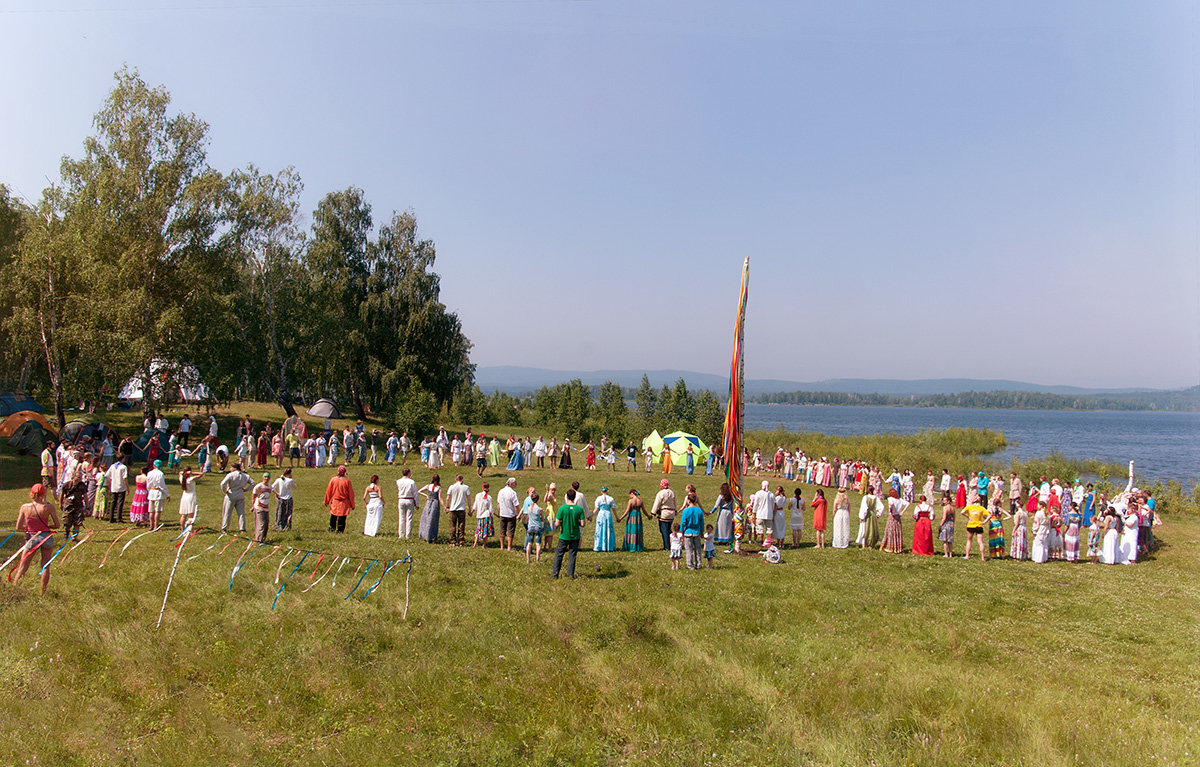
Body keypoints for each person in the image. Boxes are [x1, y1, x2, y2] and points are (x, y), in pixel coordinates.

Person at [12, 484, 60, 594]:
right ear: (44, 494)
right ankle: (43, 592)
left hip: (31, 537)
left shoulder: (25, 507)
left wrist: (28, 528)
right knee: (45, 566)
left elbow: (18, 526)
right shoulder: (49, 507)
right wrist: (48, 527)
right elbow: (57, 525)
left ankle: (14, 589)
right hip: (46, 537)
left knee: (23, 567)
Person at [550, 488, 586, 579]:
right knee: (572, 555)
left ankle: (555, 574)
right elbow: (582, 524)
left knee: (559, 554)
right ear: (575, 497)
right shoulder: (579, 509)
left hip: (564, 535)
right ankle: (570, 574)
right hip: (575, 536)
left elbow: (557, 523)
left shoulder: (562, 508)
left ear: (566, 497)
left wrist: (563, 522)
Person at [323, 465, 355, 533]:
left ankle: (332, 527)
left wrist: (326, 501)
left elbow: (328, 492)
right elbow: (351, 494)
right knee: (342, 517)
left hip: (335, 501)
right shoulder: (347, 481)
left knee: (333, 516)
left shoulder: (333, 480)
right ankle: (340, 530)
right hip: (344, 502)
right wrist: (352, 504)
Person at [651, 479, 677, 551]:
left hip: (664, 514)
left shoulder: (660, 493)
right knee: (669, 530)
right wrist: (675, 510)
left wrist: (653, 513)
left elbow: (657, 504)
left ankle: (666, 546)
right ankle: (672, 543)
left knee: (664, 530)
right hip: (671, 513)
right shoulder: (672, 492)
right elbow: (674, 502)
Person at [417, 474, 445, 543]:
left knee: (426, 518)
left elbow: (419, 491)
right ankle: (431, 536)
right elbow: (440, 498)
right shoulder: (439, 488)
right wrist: (444, 507)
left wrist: (426, 495)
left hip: (428, 502)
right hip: (435, 503)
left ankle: (423, 534)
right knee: (433, 520)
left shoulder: (428, 486)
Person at [444, 474, 470, 546]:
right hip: (461, 508)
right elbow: (468, 499)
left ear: (455, 479)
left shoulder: (452, 487)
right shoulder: (466, 487)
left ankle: (453, 541)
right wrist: (470, 509)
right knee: (461, 525)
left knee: (453, 525)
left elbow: (448, 498)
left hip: (453, 509)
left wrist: (447, 506)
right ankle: (461, 540)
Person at [250, 473, 277, 543]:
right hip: (259, 507)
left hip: (266, 507)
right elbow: (254, 496)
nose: (266, 479)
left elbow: (274, 491)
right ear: (263, 478)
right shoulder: (259, 486)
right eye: (265, 477)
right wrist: (253, 506)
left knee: (266, 524)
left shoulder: (269, 486)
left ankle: (263, 538)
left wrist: (276, 495)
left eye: (268, 477)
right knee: (261, 524)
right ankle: (259, 540)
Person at [680, 495, 704, 570]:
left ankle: (690, 565)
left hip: (688, 532)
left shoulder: (685, 511)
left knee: (689, 550)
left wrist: (681, 532)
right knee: (698, 550)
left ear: (689, 501)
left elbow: (683, 522)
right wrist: (702, 531)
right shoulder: (699, 510)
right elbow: (701, 522)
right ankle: (698, 564)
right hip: (696, 531)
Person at [496, 477, 520, 552]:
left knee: (502, 530)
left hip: (503, 513)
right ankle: (509, 547)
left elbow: (498, 504)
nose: (516, 484)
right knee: (510, 531)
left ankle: (502, 546)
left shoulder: (501, 491)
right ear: (511, 484)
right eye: (515, 483)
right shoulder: (513, 493)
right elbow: (516, 506)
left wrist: (499, 512)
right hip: (511, 514)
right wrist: (518, 514)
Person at [146, 459, 169, 531]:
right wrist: (167, 494)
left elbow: (148, 484)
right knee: (157, 511)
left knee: (151, 511)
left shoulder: (149, 473)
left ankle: (151, 525)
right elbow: (162, 485)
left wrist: (149, 490)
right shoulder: (160, 474)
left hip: (151, 492)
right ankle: (156, 526)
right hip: (158, 493)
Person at [592, 487, 616, 552]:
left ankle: (599, 546)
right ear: (607, 491)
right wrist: (617, 517)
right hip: (608, 514)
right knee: (608, 529)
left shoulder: (598, 498)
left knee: (600, 529)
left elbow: (596, 508)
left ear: (601, 492)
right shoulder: (611, 499)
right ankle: (608, 546)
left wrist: (591, 516)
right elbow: (613, 509)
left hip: (601, 514)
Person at [395, 467, 417, 539]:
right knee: (409, 518)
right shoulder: (411, 482)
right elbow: (415, 493)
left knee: (401, 518)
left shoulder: (398, 481)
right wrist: (417, 503)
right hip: (409, 499)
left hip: (401, 499)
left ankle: (401, 534)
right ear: (408, 473)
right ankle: (408, 535)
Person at [712, 484, 735, 551]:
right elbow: (732, 506)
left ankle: (721, 538)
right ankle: (727, 539)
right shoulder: (731, 496)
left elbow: (716, 505)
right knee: (728, 526)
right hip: (729, 512)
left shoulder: (721, 496)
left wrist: (711, 512)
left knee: (721, 525)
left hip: (722, 512)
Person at [521, 490, 542, 561]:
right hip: (537, 527)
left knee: (529, 544)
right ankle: (537, 559)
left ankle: (528, 559)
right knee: (538, 544)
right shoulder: (539, 509)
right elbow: (542, 518)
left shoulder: (529, 508)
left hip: (530, 527)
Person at [178, 466, 200, 531]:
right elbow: (201, 474)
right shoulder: (191, 479)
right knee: (190, 515)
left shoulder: (182, 478)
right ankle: (190, 530)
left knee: (183, 514)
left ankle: (182, 529)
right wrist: (192, 473)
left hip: (184, 496)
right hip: (191, 497)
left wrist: (186, 473)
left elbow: (180, 473)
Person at [473, 482, 494, 548]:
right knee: (485, 530)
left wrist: (472, 511)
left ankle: (475, 543)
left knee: (478, 529)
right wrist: (492, 514)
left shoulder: (478, 495)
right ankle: (484, 545)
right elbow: (490, 508)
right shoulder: (489, 497)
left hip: (480, 515)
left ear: (482, 487)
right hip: (486, 515)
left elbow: (475, 505)